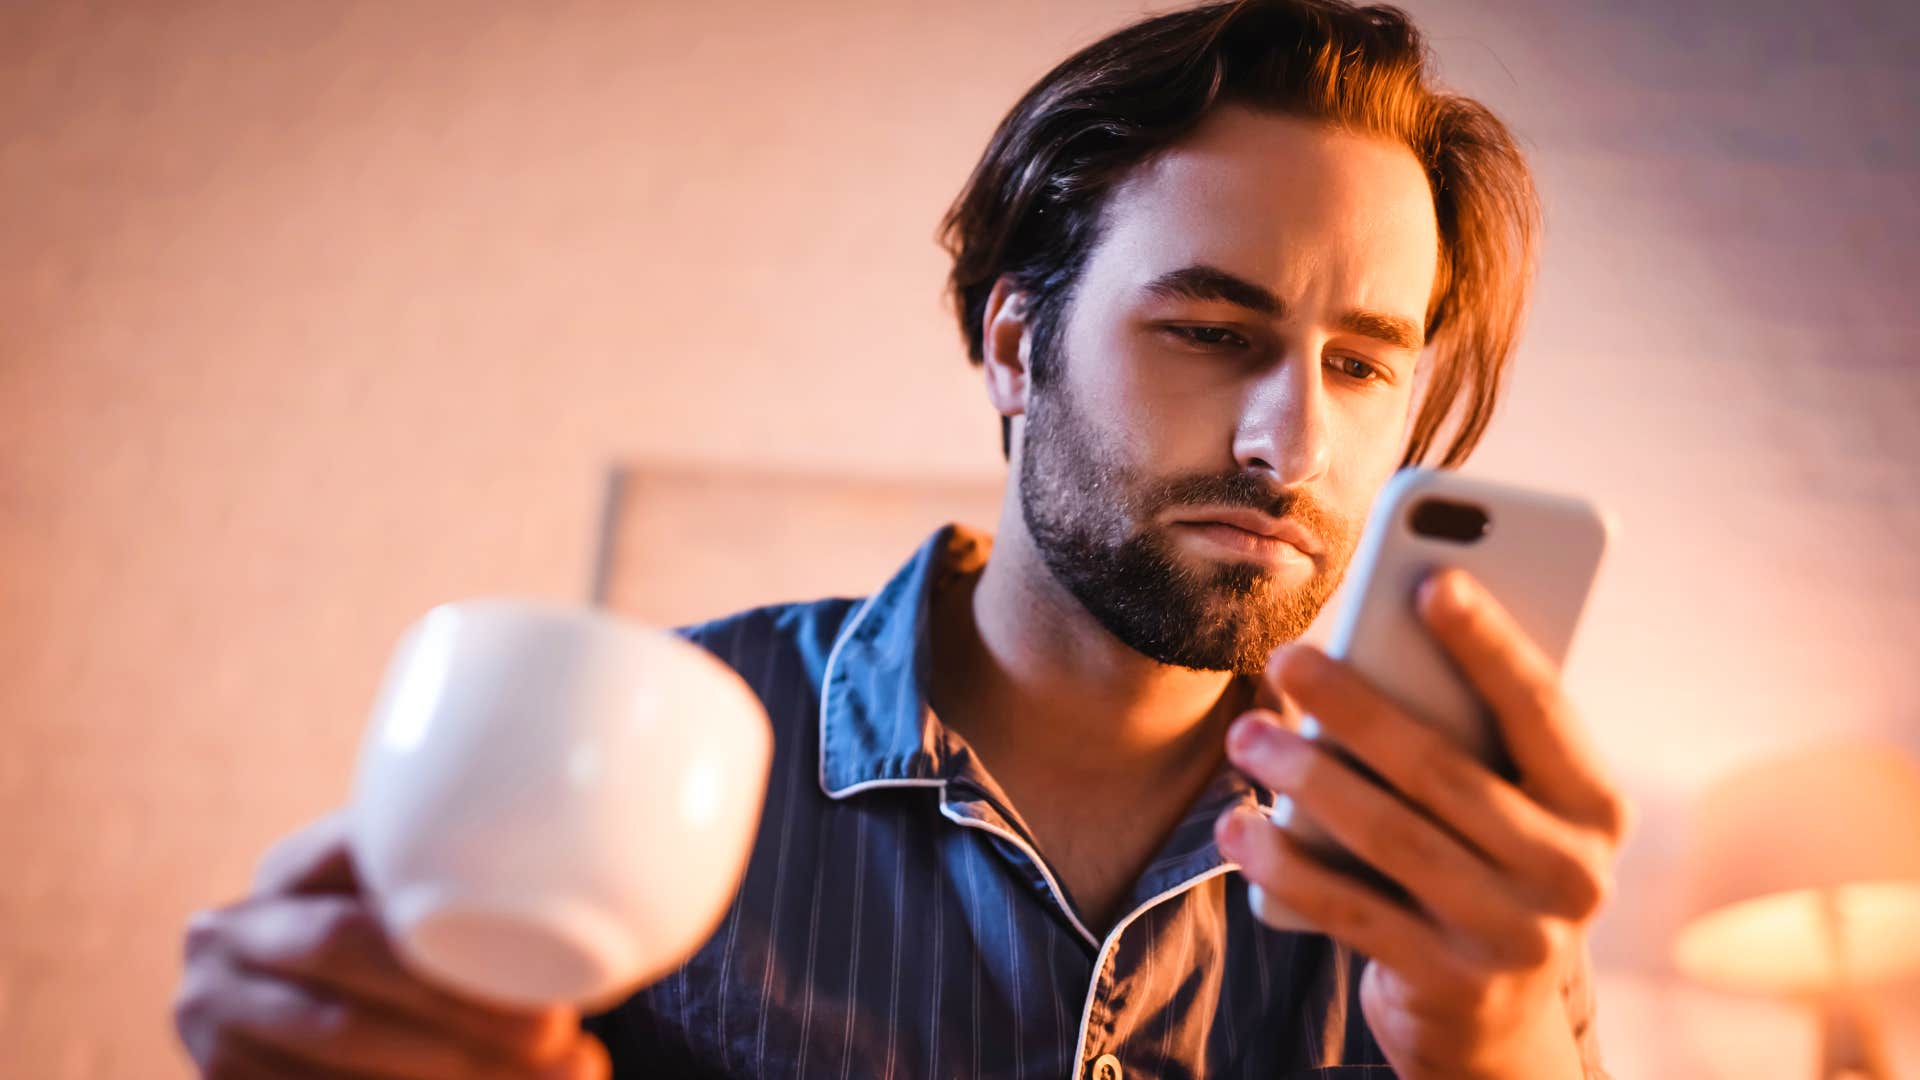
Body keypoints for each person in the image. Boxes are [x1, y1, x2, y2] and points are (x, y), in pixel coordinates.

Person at [173, 1, 1631, 1076]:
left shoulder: (1459, 898)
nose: (1291, 447)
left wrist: (1498, 1046)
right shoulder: (656, 762)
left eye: (1365, 367)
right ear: (1014, 342)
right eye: (1210, 330)